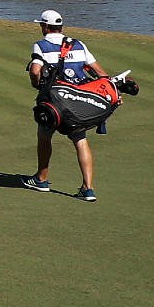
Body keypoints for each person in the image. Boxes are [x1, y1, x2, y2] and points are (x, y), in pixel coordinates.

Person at [22, 10, 107, 201]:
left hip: (53, 103)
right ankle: (88, 188)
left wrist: (36, 84)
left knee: (44, 136)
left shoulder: (40, 45)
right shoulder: (78, 44)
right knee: (80, 139)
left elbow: (35, 70)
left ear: (44, 26)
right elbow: (100, 73)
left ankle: (42, 179)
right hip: (77, 103)